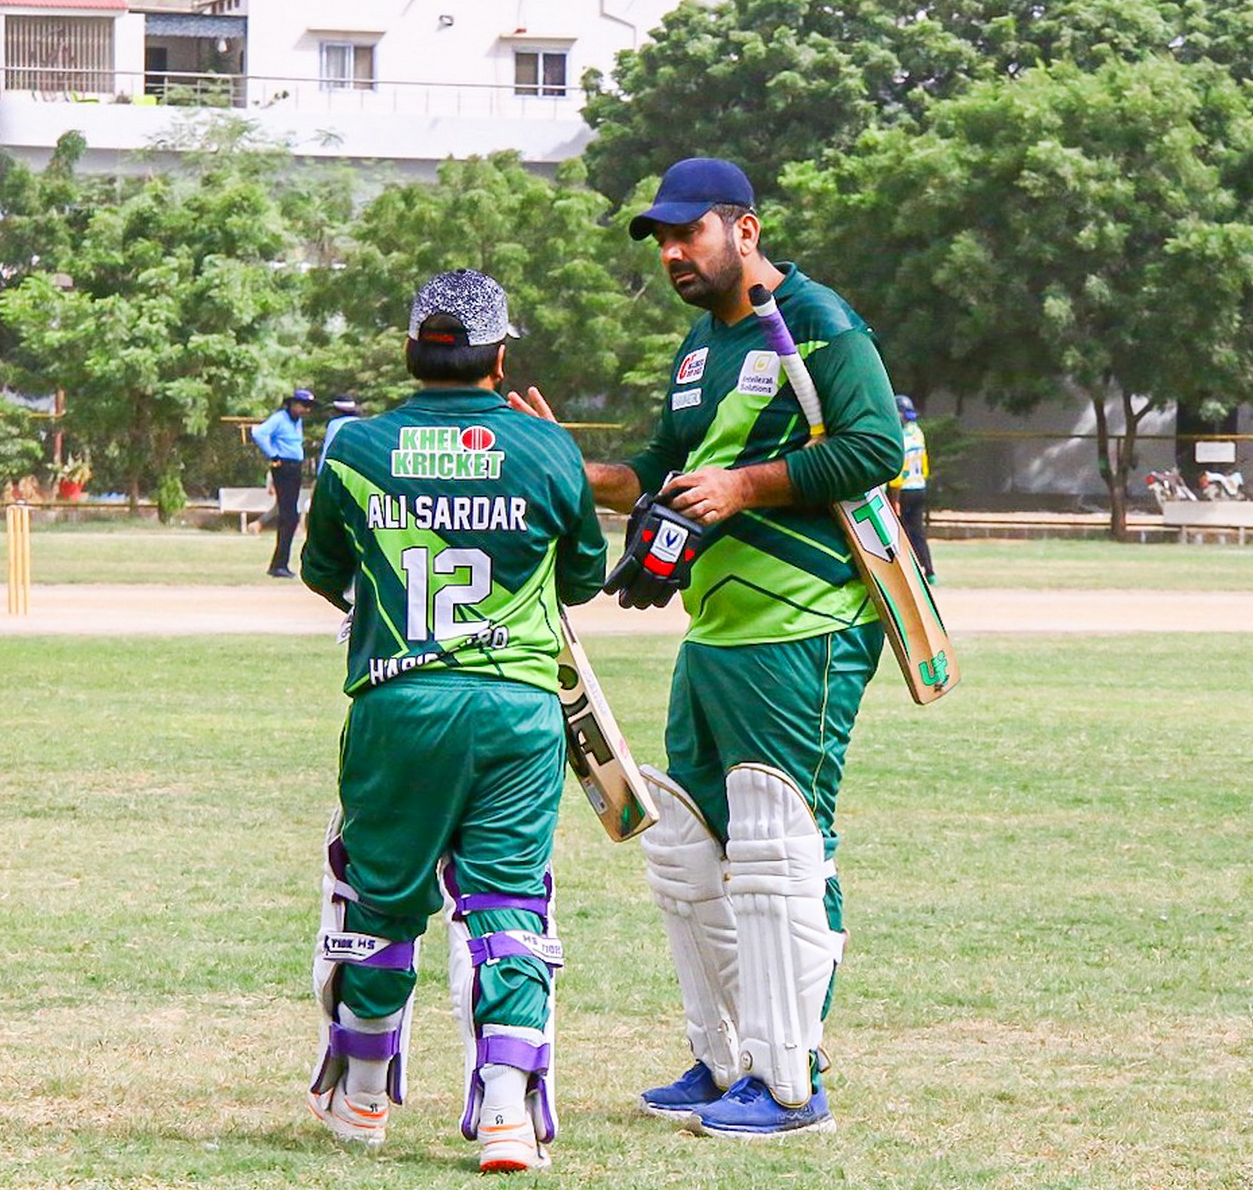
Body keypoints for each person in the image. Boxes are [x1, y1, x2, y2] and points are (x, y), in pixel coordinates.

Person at [511, 157, 904, 1139]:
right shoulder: (700, 345)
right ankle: (729, 1059)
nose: (674, 254)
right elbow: (658, 472)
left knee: (782, 847)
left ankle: (792, 1080)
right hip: (718, 630)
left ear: (746, 230)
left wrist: (743, 487)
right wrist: (566, 465)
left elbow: (873, 449)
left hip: (807, 623)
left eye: (690, 233)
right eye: (663, 240)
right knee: (690, 850)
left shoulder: (818, 321)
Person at [299, 269, 607, 1171]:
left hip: (399, 703)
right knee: (508, 902)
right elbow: (583, 577)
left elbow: (324, 572)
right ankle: (507, 1112)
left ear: (410, 351)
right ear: (499, 355)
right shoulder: (548, 449)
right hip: (517, 708)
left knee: (380, 895)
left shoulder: (355, 445)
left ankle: (362, 1098)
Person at [249, 388, 315, 577]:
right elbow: (259, 434)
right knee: (288, 516)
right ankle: (278, 565)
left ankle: (280, 563)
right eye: (304, 405)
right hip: (284, 466)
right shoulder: (280, 418)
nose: (307, 409)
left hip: (294, 467)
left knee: (290, 516)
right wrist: (273, 454)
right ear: (293, 404)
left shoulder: (297, 421)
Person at [888, 394, 936, 583]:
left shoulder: (899, 437)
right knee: (918, 532)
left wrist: (894, 499)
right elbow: (924, 463)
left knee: (901, 533)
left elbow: (898, 473)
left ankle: (909, 572)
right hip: (920, 486)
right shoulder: (918, 433)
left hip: (904, 490)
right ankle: (929, 571)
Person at [316, 396, 361, 472]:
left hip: (338, 467)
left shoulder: (334, 424)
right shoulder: (360, 423)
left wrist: (321, 470)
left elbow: (328, 447)